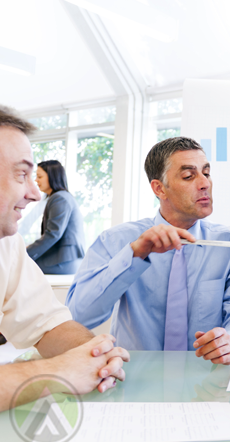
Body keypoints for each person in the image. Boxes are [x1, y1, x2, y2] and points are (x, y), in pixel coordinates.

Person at [67, 137, 230, 364]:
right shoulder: (115, 240)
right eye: (189, 176)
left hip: (207, 384)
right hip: (134, 383)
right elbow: (78, 316)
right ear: (159, 188)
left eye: (206, 173)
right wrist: (133, 256)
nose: (204, 183)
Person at [0, 105, 129, 412]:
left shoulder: (8, 244)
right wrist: (56, 372)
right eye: (22, 174)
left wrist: (94, 354)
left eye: (36, 177)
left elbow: (48, 325)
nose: (33, 192)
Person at [26, 159, 85, 274]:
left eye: (39, 176)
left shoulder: (59, 198)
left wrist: (27, 252)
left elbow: (53, 234)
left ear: (52, 176)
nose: (36, 180)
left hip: (63, 261)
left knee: (19, 266)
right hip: (66, 259)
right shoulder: (62, 197)